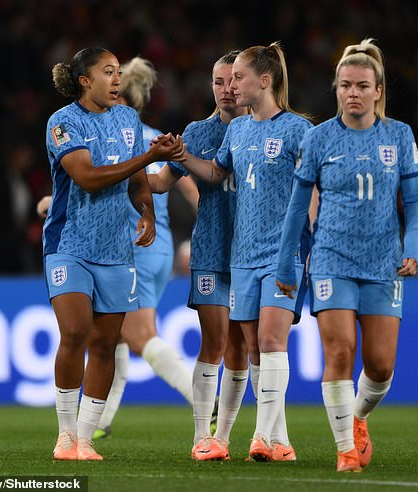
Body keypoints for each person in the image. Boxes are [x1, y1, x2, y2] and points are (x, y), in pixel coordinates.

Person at [276, 38, 418, 472]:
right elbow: (296, 209)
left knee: (380, 367)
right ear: (336, 89)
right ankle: (345, 450)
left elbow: (413, 203)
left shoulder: (399, 135)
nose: (352, 93)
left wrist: (411, 249)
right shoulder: (318, 138)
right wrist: (287, 262)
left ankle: (357, 418)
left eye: (362, 85)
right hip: (330, 259)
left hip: (383, 263)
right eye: (345, 85)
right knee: (339, 351)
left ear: (378, 91)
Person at [38, 56, 200, 442]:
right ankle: (67, 434)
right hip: (70, 244)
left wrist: (146, 210)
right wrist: (149, 157)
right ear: (83, 81)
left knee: (109, 342)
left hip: (119, 248)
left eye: (118, 72)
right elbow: (88, 178)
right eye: (107, 73)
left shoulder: (127, 121)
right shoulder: (62, 121)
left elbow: (139, 180)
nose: (116, 79)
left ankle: (89, 431)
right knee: (77, 332)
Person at [172, 42, 313, 462]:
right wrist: (181, 156)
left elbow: (314, 188)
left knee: (271, 340)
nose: (231, 86)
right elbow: (217, 172)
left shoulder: (298, 130)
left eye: (238, 77)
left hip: (282, 254)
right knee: (253, 348)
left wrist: (316, 240)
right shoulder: (237, 130)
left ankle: (262, 436)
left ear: (264, 81)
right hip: (241, 255)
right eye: (226, 79)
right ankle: (278, 440)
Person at [147, 50, 250, 461]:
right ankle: (200, 438)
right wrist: (142, 161)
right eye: (217, 82)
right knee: (216, 340)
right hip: (210, 248)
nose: (226, 90)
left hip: (251, 251)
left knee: (241, 348)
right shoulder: (197, 132)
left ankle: (223, 436)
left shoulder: (264, 131)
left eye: (233, 81)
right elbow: (158, 184)